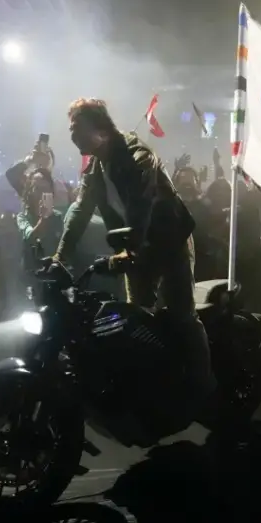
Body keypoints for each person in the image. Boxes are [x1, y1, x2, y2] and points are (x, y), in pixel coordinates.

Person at [51, 97, 215, 398]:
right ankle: (154, 382)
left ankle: (203, 388)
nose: (72, 135)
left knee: (182, 315)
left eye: (76, 128)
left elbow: (142, 203)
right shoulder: (97, 167)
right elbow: (79, 210)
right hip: (134, 244)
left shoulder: (137, 155)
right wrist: (60, 257)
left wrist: (132, 249)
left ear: (100, 128)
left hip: (168, 241)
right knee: (136, 316)